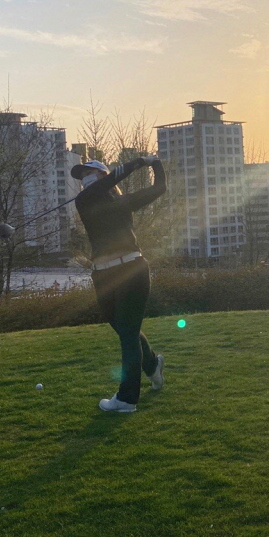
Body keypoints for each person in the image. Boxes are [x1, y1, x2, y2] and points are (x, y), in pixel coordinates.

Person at [71, 156, 166, 413]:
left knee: (128, 334)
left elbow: (159, 188)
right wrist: (139, 162)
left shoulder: (123, 202)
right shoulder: (84, 200)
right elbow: (112, 180)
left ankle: (126, 399)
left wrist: (155, 164)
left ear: (103, 174)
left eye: (89, 172)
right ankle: (152, 365)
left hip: (132, 269)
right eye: (82, 176)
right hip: (102, 276)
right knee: (126, 330)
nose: (84, 179)